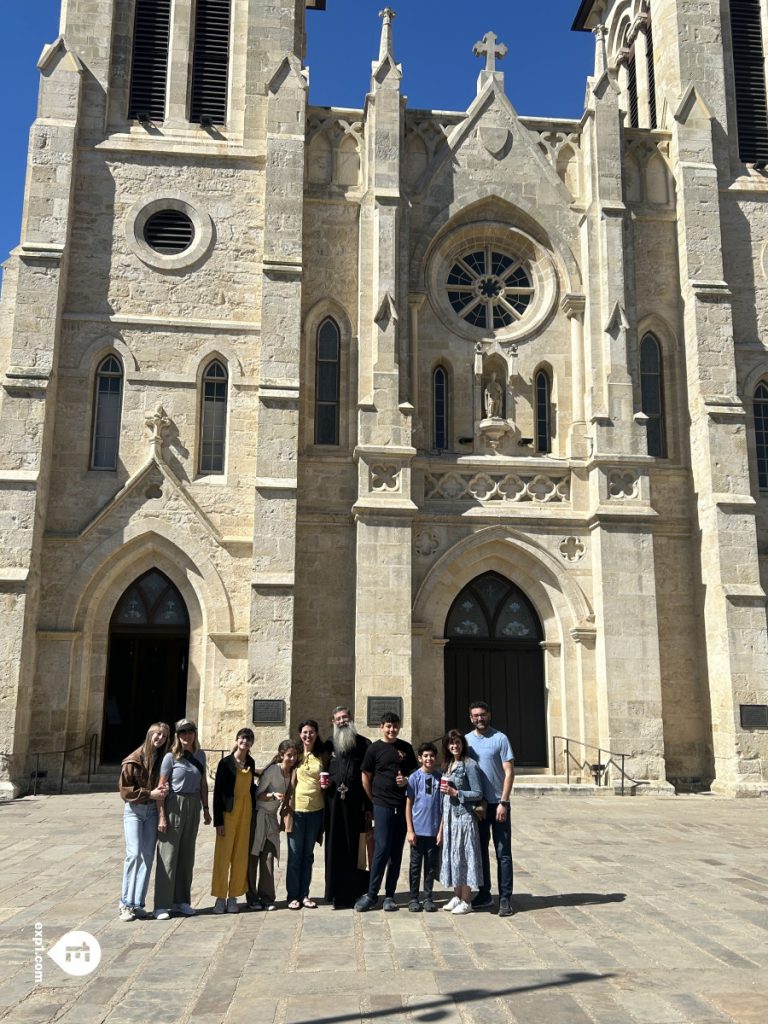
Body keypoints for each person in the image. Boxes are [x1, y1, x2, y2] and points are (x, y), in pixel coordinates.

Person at [355, 712, 418, 912]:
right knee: (381, 848)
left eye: (395, 726)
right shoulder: (374, 749)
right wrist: (373, 799)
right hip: (382, 805)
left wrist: (406, 779)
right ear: (381, 727)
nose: (391, 730)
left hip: (402, 805)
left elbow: (414, 774)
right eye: (388, 726)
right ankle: (372, 894)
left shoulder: (406, 748)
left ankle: (390, 895)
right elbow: (365, 776)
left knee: (396, 852)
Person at [153, 719, 211, 919]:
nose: (187, 736)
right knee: (168, 855)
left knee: (187, 855)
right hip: (174, 805)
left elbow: (203, 784)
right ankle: (161, 904)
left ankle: (182, 901)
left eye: (190, 732)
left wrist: (206, 809)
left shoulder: (201, 755)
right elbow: (161, 788)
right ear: (178, 736)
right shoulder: (171, 757)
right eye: (183, 732)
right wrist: (161, 816)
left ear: (195, 733)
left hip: (193, 804)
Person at [465, 700, 515, 916]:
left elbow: (509, 771)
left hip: (498, 804)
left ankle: (505, 898)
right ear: (470, 718)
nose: (479, 718)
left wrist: (503, 802)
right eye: (475, 715)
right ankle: (484, 893)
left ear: (489, 715)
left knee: (503, 852)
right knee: (480, 851)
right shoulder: (466, 741)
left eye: (482, 715)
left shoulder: (500, 738)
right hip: (478, 805)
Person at [118, 722, 170, 922]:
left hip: (152, 811)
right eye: (157, 734)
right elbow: (125, 792)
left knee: (147, 856)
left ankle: (137, 903)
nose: (160, 738)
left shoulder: (161, 759)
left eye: (164, 736)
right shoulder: (132, 760)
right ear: (150, 734)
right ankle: (125, 903)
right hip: (134, 811)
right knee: (133, 854)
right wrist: (151, 793)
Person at [323, 706, 372, 907]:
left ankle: (356, 892)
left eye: (345, 717)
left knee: (356, 849)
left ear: (351, 719)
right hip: (333, 804)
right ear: (333, 721)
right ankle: (335, 893)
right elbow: (322, 770)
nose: (342, 721)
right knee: (335, 847)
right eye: (338, 718)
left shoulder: (364, 743)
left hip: (356, 805)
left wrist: (369, 806)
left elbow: (370, 776)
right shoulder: (328, 745)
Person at [248, 739, 299, 911]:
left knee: (268, 856)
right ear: (281, 755)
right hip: (259, 816)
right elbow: (257, 794)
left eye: (294, 755)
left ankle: (267, 898)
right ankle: (252, 897)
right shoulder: (272, 770)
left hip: (272, 819)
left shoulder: (291, 773)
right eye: (289, 755)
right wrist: (272, 795)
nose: (292, 758)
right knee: (254, 856)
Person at [211, 728, 257, 913]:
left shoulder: (250, 762)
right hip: (228, 813)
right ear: (237, 740)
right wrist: (218, 822)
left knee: (240, 856)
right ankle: (220, 897)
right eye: (242, 738)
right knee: (223, 856)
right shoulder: (225, 763)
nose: (244, 742)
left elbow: (252, 788)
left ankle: (233, 896)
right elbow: (218, 794)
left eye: (248, 739)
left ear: (251, 743)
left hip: (245, 813)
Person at [439, 729, 484, 916]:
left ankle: (467, 900)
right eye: (451, 743)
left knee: (465, 856)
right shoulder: (448, 764)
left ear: (462, 744)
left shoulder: (470, 765)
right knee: (453, 855)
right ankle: (457, 895)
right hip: (450, 818)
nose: (454, 746)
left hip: (464, 817)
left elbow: (478, 793)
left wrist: (457, 793)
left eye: (457, 743)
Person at [287, 719, 325, 909]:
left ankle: (304, 894)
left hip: (316, 810)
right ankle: (292, 895)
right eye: (304, 732)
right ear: (300, 734)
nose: (308, 735)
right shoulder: (295, 754)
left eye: (311, 732)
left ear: (316, 734)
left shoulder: (321, 756)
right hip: (297, 810)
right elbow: (278, 766)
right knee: (295, 855)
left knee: (308, 855)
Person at [405, 741, 442, 913]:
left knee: (430, 866)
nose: (429, 758)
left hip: (433, 831)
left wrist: (441, 830)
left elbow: (444, 807)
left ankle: (428, 897)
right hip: (417, 831)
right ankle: (413, 898)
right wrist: (410, 830)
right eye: (425, 756)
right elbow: (408, 805)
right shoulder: (414, 778)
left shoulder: (440, 778)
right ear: (420, 758)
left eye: (432, 756)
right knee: (415, 866)